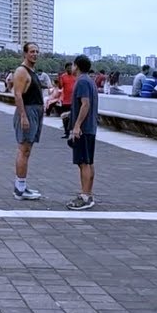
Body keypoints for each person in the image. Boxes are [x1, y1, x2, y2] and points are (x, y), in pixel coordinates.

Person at [10, 43, 44, 200]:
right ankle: (20, 189)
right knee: (24, 149)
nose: (35, 54)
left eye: (37, 52)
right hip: (28, 111)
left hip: (35, 111)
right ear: (25, 54)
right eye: (31, 51)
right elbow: (17, 95)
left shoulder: (32, 71)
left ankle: (22, 186)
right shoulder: (21, 71)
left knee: (27, 149)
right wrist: (23, 116)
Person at [67, 54, 99, 210]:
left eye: (73, 65)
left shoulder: (82, 82)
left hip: (84, 129)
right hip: (90, 127)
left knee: (83, 163)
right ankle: (89, 193)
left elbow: (85, 104)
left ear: (76, 66)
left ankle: (85, 195)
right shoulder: (90, 81)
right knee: (88, 161)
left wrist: (77, 125)